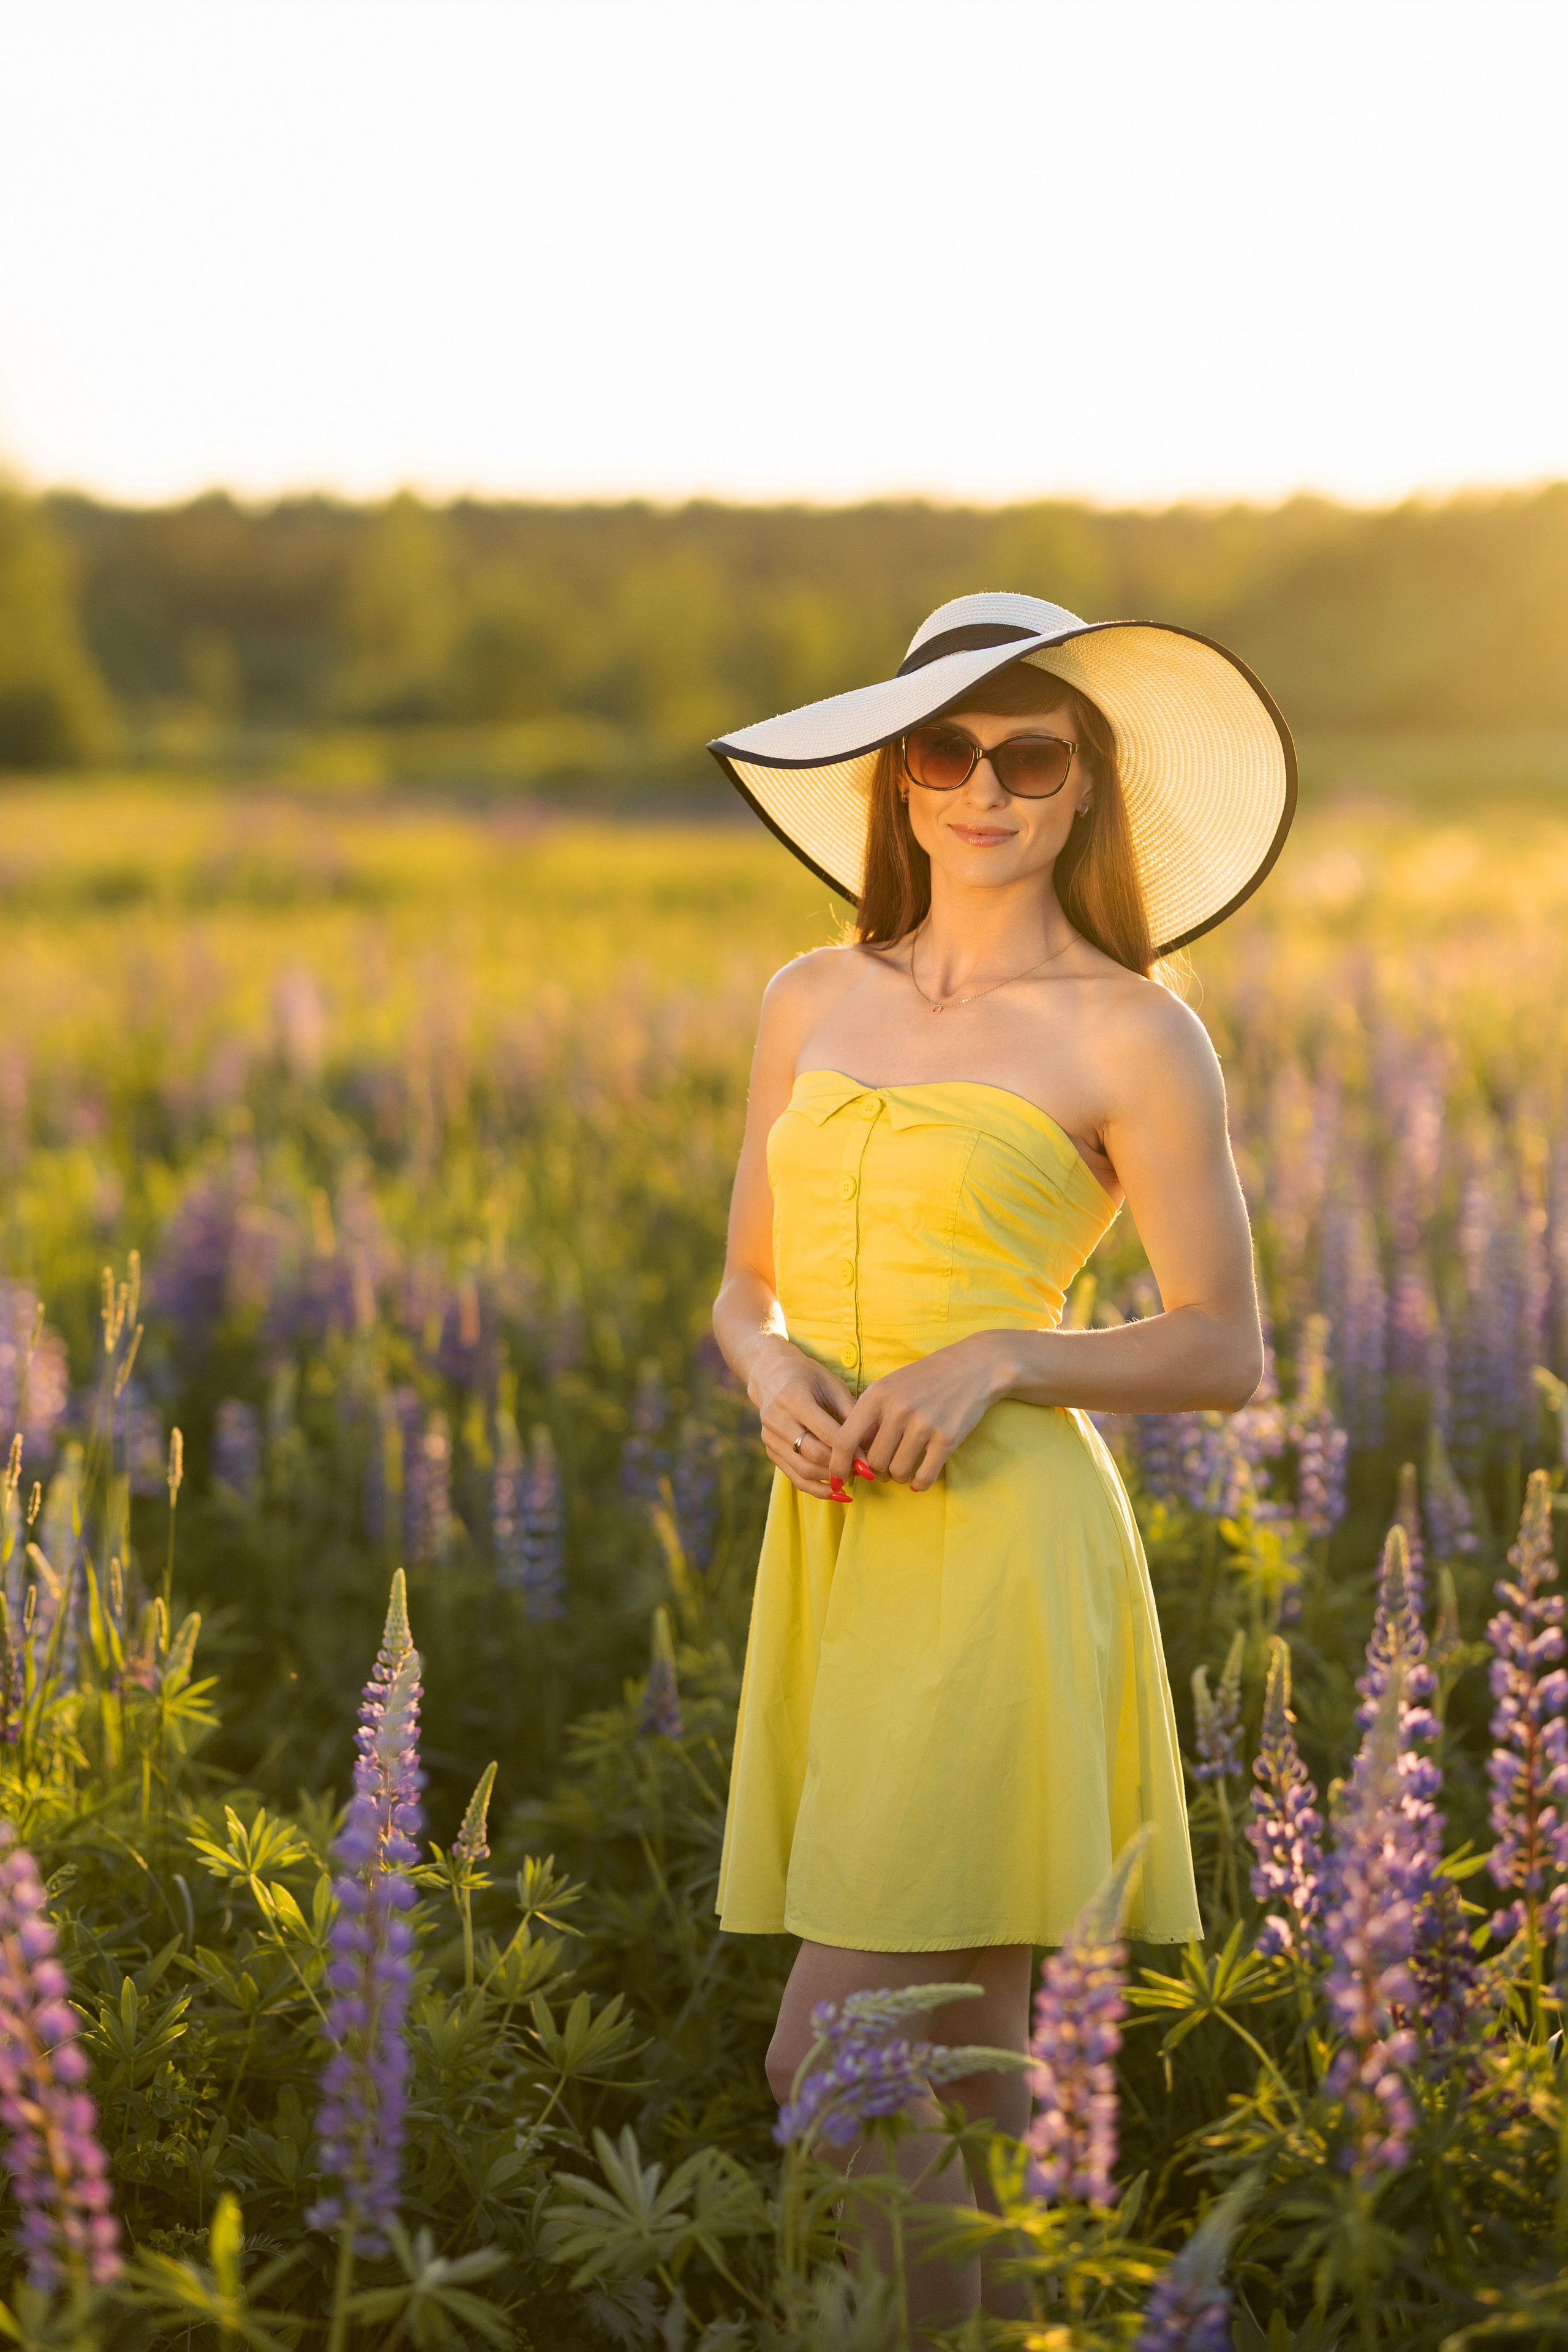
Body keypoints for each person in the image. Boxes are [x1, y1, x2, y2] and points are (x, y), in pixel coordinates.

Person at [706, 590, 1295, 2328]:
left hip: (1006, 1549)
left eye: (1027, 753)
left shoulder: (1131, 1027)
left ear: (1085, 787)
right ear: (893, 779)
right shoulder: (807, 995)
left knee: (831, 2057)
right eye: (946, 750)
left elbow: (1226, 1348)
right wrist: (768, 1370)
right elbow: (741, 1280)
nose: (986, 786)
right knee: (960, 2082)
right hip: (834, 1535)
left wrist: (1010, 1354)